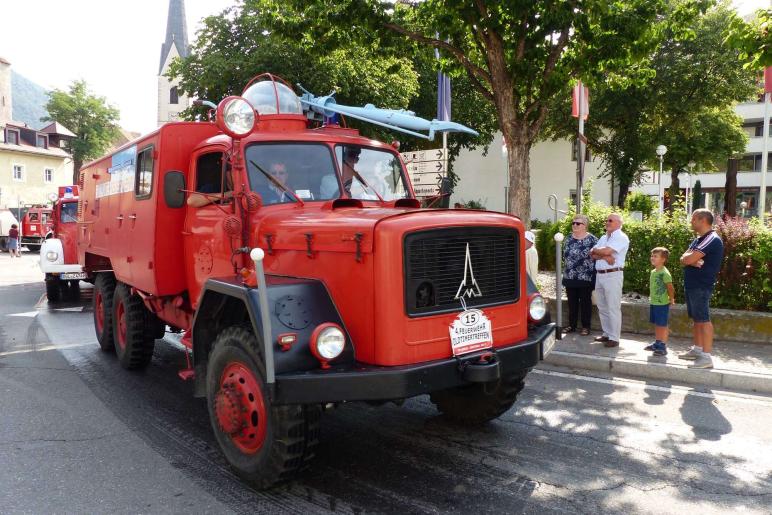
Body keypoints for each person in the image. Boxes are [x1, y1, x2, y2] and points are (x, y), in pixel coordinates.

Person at [678, 208, 724, 369]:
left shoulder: (711, 238)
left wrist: (690, 259)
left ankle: (706, 357)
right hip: (693, 284)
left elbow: (688, 258)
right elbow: (683, 258)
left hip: (701, 285)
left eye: (693, 219)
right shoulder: (699, 239)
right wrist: (690, 260)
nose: (691, 222)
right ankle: (697, 350)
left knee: (704, 320)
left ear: (702, 220)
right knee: (697, 319)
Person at [590, 213, 629, 348]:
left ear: (619, 223)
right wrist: (605, 256)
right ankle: (606, 333)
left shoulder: (621, 237)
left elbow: (605, 251)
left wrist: (600, 252)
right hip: (600, 275)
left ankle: (614, 337)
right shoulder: (603, 237)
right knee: (602, 306)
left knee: (613, 307)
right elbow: (592, 254)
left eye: (610, 220)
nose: (607, 222)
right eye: (606, 220)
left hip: (613, 275)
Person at [562, 214, 598, 336]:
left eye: (578, 223)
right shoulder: (568, 238)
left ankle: (586, 327)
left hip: (585, 277)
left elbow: (597, 257)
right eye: (573, 223)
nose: (575, 225)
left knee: (585, 302)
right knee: (571, 302)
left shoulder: (592, 240)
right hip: (570, 276)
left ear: (585, 226)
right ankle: (571, 325)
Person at [644, 247, 675, 356]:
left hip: (662, 304)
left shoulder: (664, 273)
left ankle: (663, 346)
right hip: (654, 302)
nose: (652, 258)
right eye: (652, 256)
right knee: (657, 324)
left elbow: (670, 287)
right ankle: (657, 343)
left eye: (655, 256)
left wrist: (671, 298)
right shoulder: (653, 272)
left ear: (663, 259)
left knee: (663, 325)